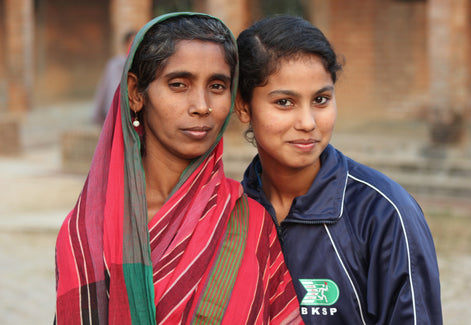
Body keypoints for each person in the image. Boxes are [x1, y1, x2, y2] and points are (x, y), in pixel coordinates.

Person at [55, 12, 303, 324]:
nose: (201, 105)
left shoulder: (249, 223)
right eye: (178, 84)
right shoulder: (86, 234)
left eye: (217, 85)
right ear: (135, 94)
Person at [235, 15, 443, 324]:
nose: (307, 123)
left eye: (321, 99)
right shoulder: (230, 213)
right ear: (243, 107)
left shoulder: (384, 214)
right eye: (284, 102)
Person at [91, 30, 136, 125]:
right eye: (131, 43)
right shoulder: (115, 64)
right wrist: (97, 113)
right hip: (114, 111)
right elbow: (104, 88)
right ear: (125, 45)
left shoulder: (142, 64)